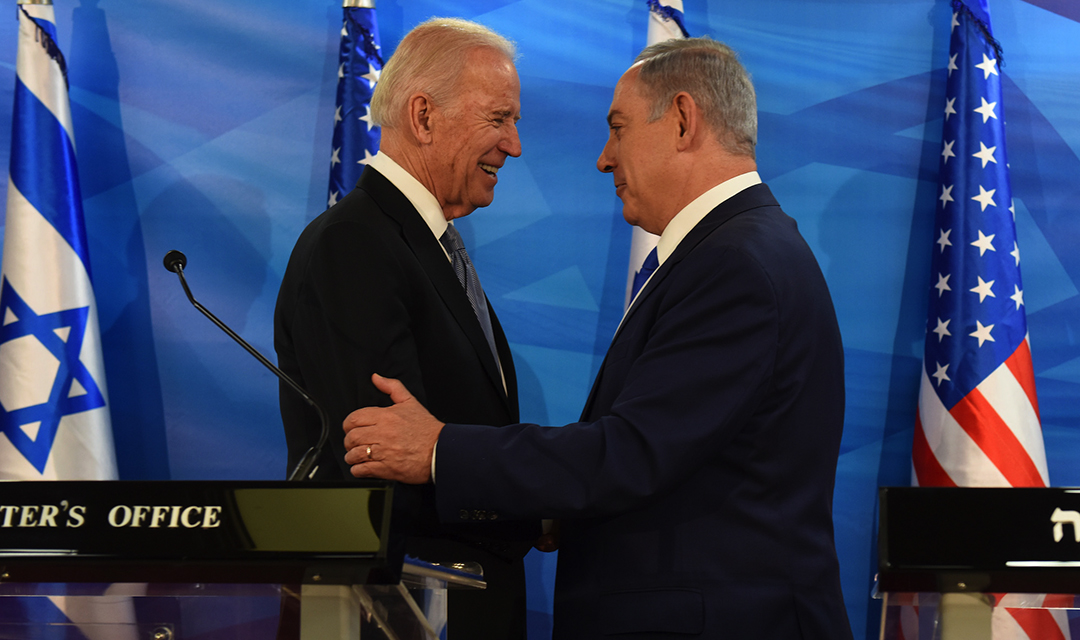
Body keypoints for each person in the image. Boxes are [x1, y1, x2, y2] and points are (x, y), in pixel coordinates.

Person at [343, 37, 853, 639]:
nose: (604, 158)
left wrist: (438, 450)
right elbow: (672, 448)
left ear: (683, 121)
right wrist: (553, 501)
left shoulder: (737, 264)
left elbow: (634, 451)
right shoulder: (733, 252)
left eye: (619, 129)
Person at [274, 18, 535, 640]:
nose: (515, 144)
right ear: (423, 116)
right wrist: (529, 502)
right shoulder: (356, 246)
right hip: (397, 616)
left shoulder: (425, 245)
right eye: (499, 118)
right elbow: (383, 464)